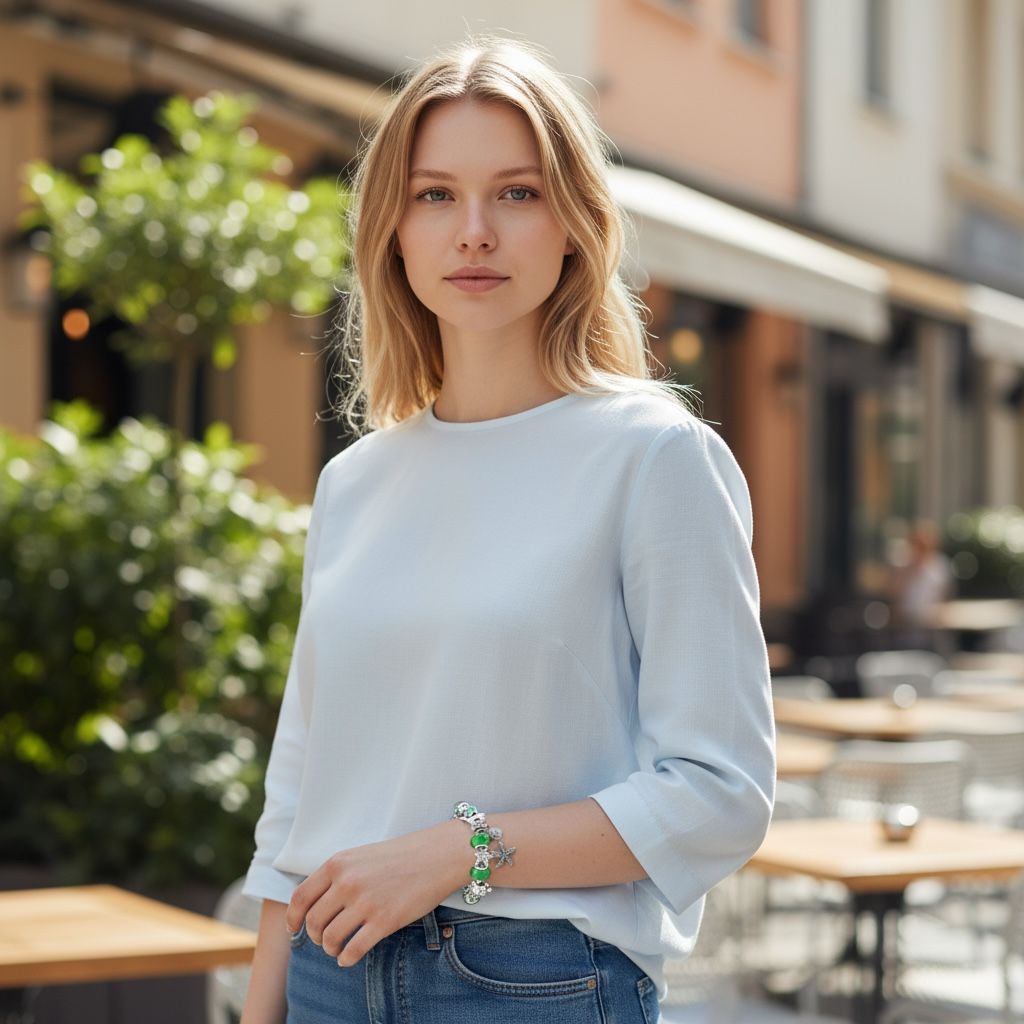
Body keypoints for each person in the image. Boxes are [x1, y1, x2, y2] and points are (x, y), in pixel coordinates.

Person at [239, 37, 775, 1024]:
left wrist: (458, 849)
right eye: (435, 194)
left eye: (517, 193)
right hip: (324, 967)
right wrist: (260, 1006)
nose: (474, 231)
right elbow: (301, 785)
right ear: (391, 231)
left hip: (527, 982)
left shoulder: (654, 458)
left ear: (573, 222)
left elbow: (720, 791)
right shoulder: (355, 483)